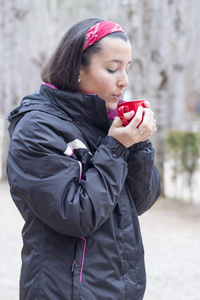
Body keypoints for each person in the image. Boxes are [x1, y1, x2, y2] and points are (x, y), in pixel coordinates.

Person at [7, 18, 160, 300]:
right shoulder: (37, 128)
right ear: (77, 68)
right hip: (63, 290)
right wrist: (116, 147)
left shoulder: (107, 122)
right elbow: (75, 214)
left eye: (127, 68)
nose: (124, 80)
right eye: (112, 68)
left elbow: (141, 201)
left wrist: (137, 143)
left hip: (118, 288)